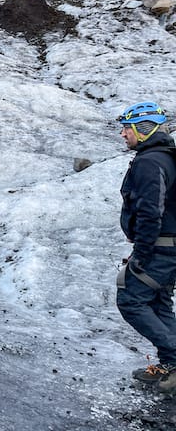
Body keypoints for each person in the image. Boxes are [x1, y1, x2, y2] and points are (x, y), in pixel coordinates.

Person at [115, 101, 176, 392]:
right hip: (167, 246)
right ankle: (170, 365)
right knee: (157, 302)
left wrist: (142, 253)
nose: (123, 134)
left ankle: (173, 360)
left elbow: (152, 211)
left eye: (127, 128)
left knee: (130, 300)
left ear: (145, 128)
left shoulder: (151, 162)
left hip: (159, 248)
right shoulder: (163, 157)